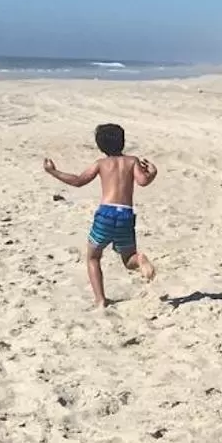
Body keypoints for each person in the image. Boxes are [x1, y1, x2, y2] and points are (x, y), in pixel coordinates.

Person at [44, 123, 157, 307]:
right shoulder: (132, 161)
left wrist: (53, 171)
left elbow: (79, 181)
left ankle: (100, 299)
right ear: (123, 141)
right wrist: (153, 172)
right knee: (129, 259)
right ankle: (140, 259)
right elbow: (143, 181)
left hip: (105, 214)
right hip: (126, 215)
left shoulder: (101, 164)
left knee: (93, 257)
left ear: (100, 145)